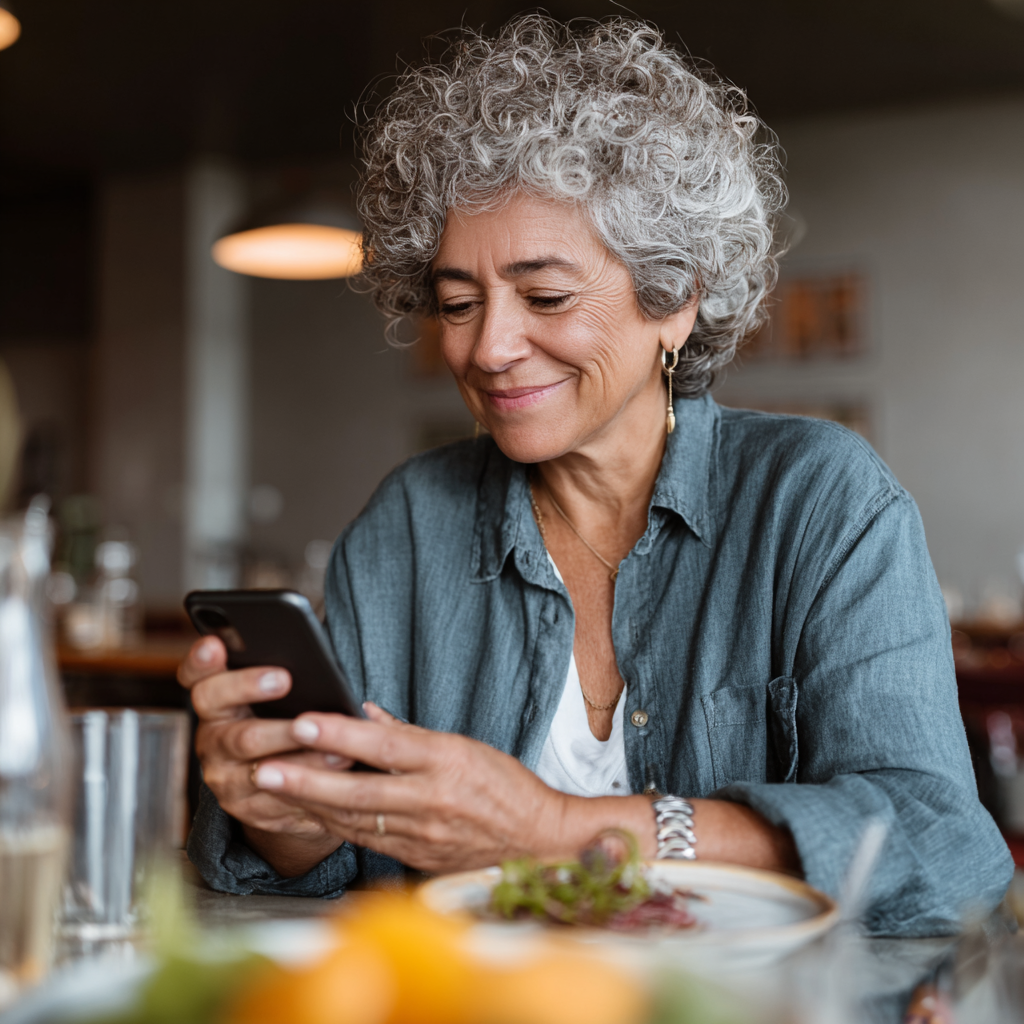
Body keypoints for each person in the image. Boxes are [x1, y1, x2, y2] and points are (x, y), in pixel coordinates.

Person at [181, 14, 1012, 935]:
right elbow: (316, 865)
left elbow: (943, 849)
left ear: (675, 300)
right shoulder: (408, 523)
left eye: (545, 296)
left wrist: (558, 830)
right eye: (457, 303)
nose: (489, 347)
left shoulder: (820, 500)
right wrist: (288, 811)